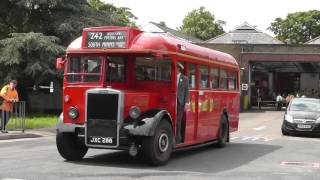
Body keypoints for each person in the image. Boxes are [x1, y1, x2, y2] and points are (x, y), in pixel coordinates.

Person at [176, 63, 189, 144]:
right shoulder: (171, 77)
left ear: (179, 69)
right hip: (172, 102)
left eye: (175, 68)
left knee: (178, 120)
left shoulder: (185, 78)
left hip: (180, 102)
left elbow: (187, 91)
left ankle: (178, 137)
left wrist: (187, 102)